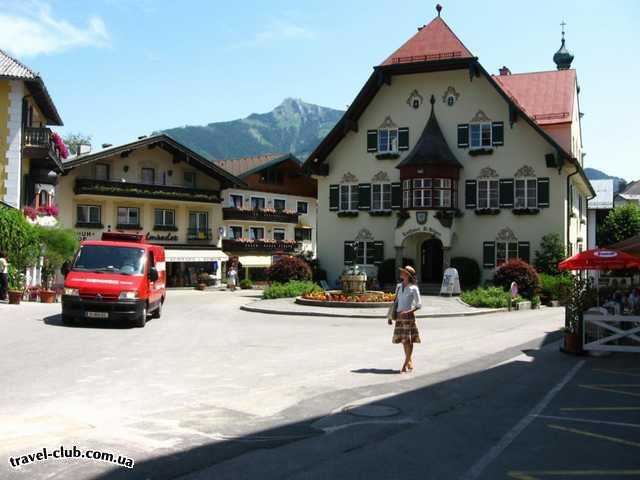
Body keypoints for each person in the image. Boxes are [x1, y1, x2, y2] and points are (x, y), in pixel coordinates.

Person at [388, 265, 422, 373]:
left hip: (408, 318)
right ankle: (409, 360)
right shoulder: (398, 286)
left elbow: (419, 304)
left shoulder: (414, 288)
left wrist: (409, 312)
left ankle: (405, 363)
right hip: (398, 317)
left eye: (403, 272)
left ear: (408, 275)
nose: (401, 273)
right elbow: (395, 302)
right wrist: (390, 316)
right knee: (404, 341)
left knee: (408, 340)